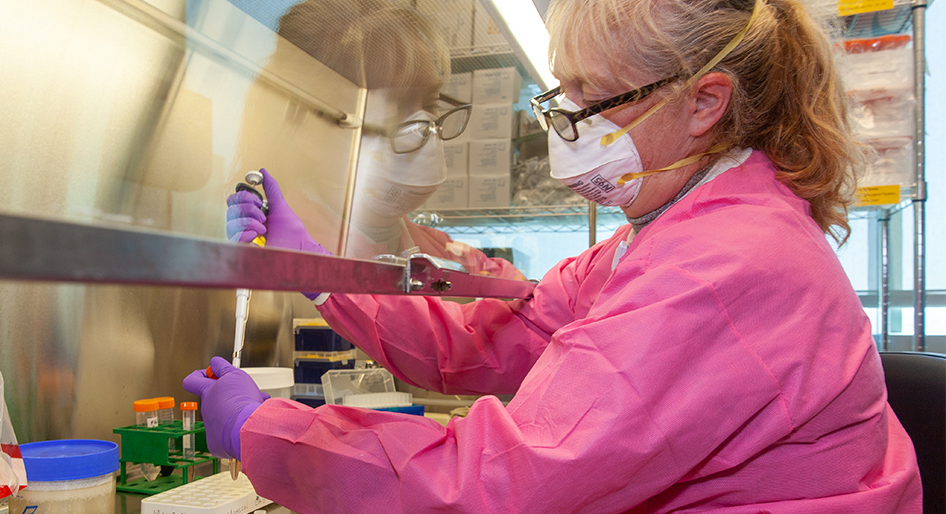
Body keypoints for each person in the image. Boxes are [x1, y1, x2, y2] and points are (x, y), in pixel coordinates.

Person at [186, 0, 924, 511]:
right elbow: (505, 331)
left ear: (705, 103)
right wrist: (318, 275)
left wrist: (266, 432)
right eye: (560, 97)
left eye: (590, 101)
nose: (565, 128)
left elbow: (500, 485)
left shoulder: (724, 268)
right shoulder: (673, 229)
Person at [230, 0, 523, 278]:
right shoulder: (273, 256)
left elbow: (515, 294)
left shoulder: (439, 250)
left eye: (431, 104)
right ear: (308, 129)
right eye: (395, 107)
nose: (424, 129)